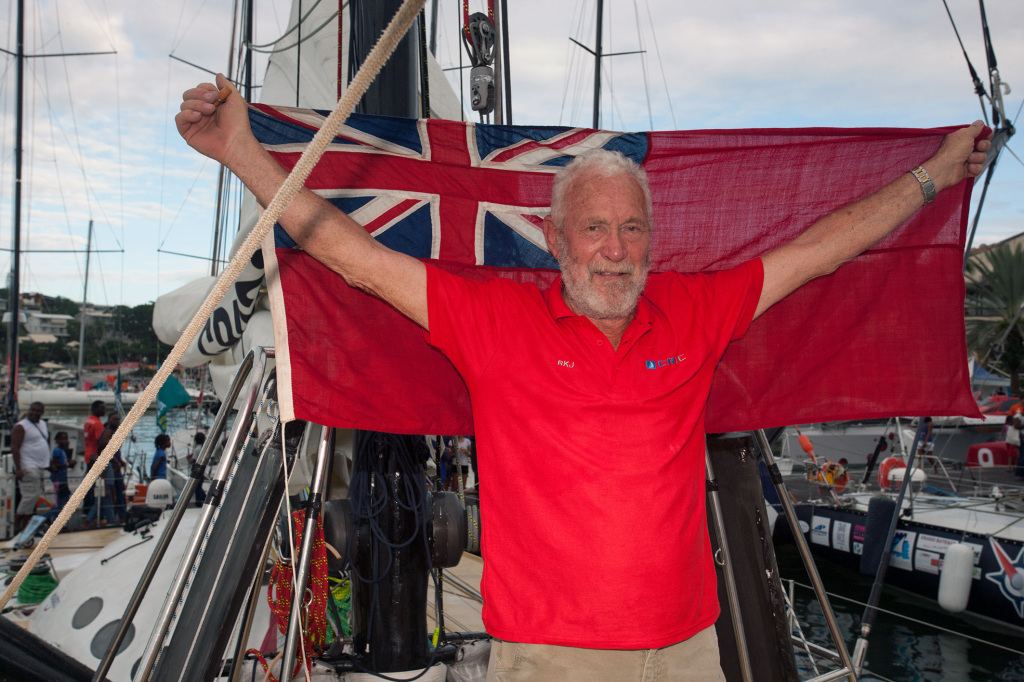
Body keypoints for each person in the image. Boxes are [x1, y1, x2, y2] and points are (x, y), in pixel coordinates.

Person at [177, 74, 990, 680]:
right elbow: (349, 254)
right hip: (549, 660)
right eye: (595, 228)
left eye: (631, 228)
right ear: (555, 239)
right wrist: (243, 152)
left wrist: (935, 176)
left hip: (689, 653)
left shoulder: (695, 309)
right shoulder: (492, 319)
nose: (615, 248)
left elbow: (823, 249)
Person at [12, 401, 50, 533]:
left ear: (42, 412)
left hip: (40, 466)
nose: (34, 413)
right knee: (29, 496)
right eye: (32, 410)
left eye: (38, 411)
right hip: (28, 466)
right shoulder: (21, 426)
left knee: (34, 496)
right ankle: (17, 524)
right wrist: (18, 469)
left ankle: (26, 525)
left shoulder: (43, 424)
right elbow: (14, 447)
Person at [98, 414, 127, 523]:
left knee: (118, 492)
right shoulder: (108, 433)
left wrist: (121, 461)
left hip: (115, 464)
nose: (117, 421)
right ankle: (119, 516)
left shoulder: (114, 433)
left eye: (118, 419)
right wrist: (116, 462)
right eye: (114, 419)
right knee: (116, 492)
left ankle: (118, 515)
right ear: (109, 420)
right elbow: (106, 450)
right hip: (112, 467)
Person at [50, 431, 74, 514]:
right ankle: (46, 517)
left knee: (64, 499)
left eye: (66, 439)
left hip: (63, 476)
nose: (65, 441)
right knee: (61, 500)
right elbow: (55, 464)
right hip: (59, 477)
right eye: (62, 439)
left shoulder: (62, 451)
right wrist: (67, 464)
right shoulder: (57, 451)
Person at [83, 400, 106, 466]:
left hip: (88, 453)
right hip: (94, 455)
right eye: (102, 408)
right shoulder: (98, 424)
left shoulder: (88, 421)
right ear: (95, 409)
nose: (104, 410)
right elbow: (100, 442)